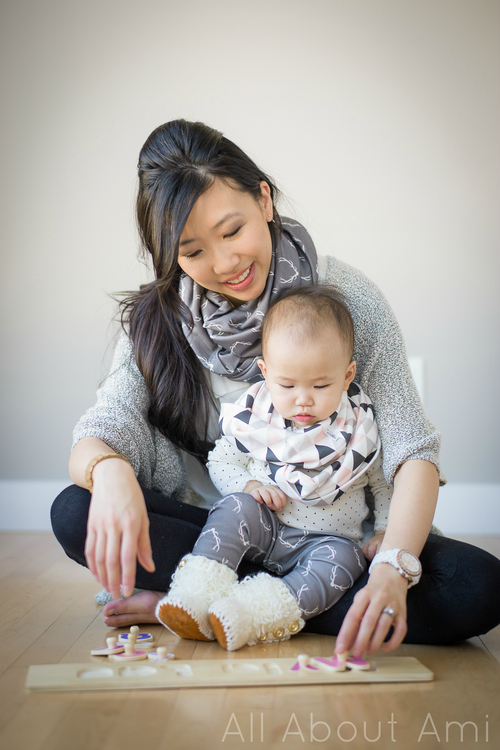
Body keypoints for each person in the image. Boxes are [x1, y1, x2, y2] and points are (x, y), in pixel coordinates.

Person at [51, 119, 500, 659]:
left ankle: (212, 603)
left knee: (480, 586)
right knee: (75, 510)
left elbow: (412, 453)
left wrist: (391, 569)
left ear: (264, 199)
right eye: (191, 251)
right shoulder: (157, 321)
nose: (223, 264)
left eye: (231, 230)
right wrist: (113, 470)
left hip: (339, 542)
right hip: (217, 533)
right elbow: (99, 433)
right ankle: (249, 599)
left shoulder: (346, 299)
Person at [156, 287, 396, 651]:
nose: (303, 398)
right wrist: (249, 484)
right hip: (264, 526)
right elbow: (221, 461)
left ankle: (251, 614)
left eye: (321, 385)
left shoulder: (360, 429)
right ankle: (198, 591)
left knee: (344, 566)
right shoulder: (254, 418)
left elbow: (384, 485)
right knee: (235, 508)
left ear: (347, 376)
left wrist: (383, 530)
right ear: (266, 373)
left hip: (327, 543)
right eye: (287, 384)